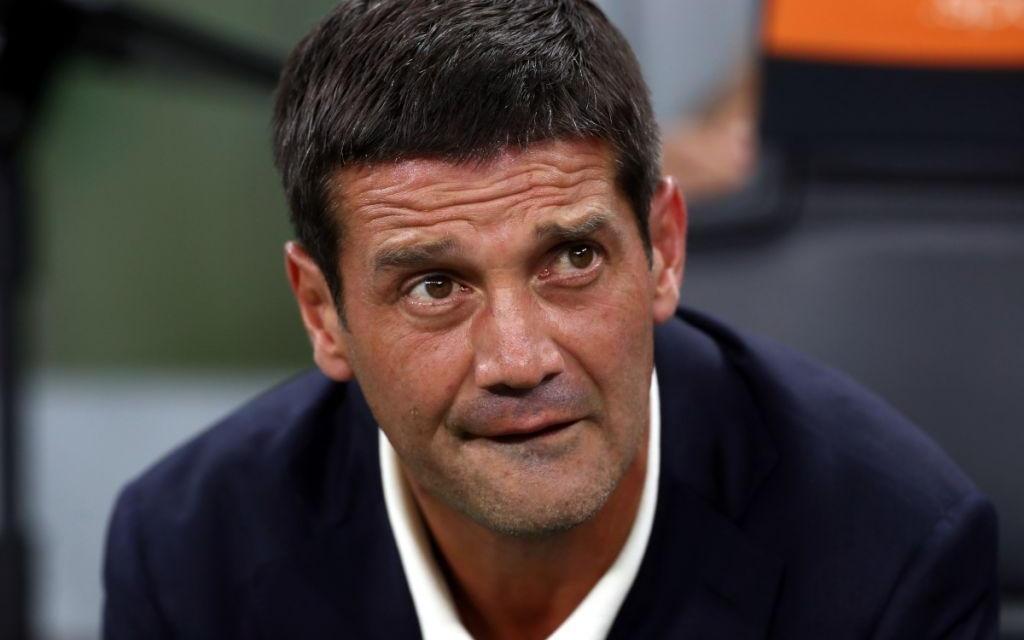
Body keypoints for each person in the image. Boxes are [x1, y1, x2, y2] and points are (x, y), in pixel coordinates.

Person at [101, 1, 998, 638]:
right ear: (322, 313)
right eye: (434, 287)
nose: (520, 358)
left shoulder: (890, 557)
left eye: (572, 259)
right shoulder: (192, 556)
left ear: (663, 249)